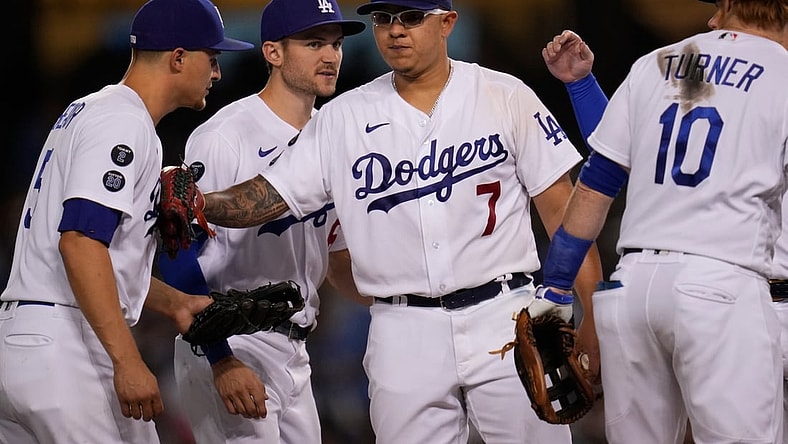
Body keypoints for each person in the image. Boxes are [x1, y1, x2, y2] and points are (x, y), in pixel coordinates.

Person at [169, 0, 605, 442]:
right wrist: (199, 201)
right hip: (403, 330)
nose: (396, 30)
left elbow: (567, 220)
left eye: (412, 18)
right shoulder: (344, 117)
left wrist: (595, 317)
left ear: (447, 23)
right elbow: (267, 196)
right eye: (384, 19)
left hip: (506, 316)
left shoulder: (504, 95)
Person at [0, 0, 254, 442]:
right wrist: (128, 361)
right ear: (178, 57)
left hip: (32, 340)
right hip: (67, 345)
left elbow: (100, 257)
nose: (217, 73)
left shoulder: (90, 109)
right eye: (211, 59)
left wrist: (173, 302)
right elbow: (80, 242)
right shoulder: (123, 121)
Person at [537, 0, 788, 441]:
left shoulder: (659, 62)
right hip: (724, 288)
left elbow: (600, 178)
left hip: (633, 290)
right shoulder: (781, 75)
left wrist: (555, 288)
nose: (710, 20)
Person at [156, 0, 366, 442]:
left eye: (336, 44)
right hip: (230, 340)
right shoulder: (224, 136)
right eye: (313, 43)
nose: (330, 56)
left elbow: (336, 254)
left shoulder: (332, 134)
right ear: (273, 52)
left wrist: (402, 310)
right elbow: (177, 254)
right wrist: (220, 358)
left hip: (295, 349)